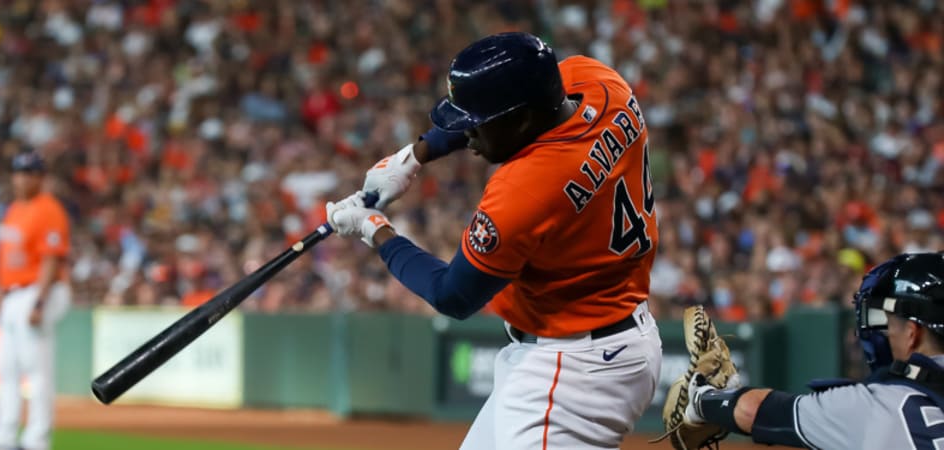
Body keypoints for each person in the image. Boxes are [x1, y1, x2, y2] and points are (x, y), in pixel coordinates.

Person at [326, 32, 662, 449]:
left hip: (575, 371)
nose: (468, 136)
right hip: (595, 342)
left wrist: (374, 229)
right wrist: (415, 156)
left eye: (475, 126)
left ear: (521, 120)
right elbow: (518, 106)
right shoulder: (602, 83)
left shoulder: (526, 189)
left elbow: (453, 296)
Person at [667, 252, 944, 449]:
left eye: (889, 323)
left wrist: (700, 399)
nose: (884, 332)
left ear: (911, 333)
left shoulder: (878, 405)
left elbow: (756, 411)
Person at [0, 152, 72, 450]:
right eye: (19, 171)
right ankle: (2, 438)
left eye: (30, 172)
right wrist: (0, 298)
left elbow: (52, 259)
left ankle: (36, 441)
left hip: (40, 291)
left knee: (37, 371)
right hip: (13, 294)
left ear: (41, 177)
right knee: (7, 369)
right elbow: (5, 262)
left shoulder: (49, 209)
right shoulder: (14, 209)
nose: (23, 177)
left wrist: (39, 303)